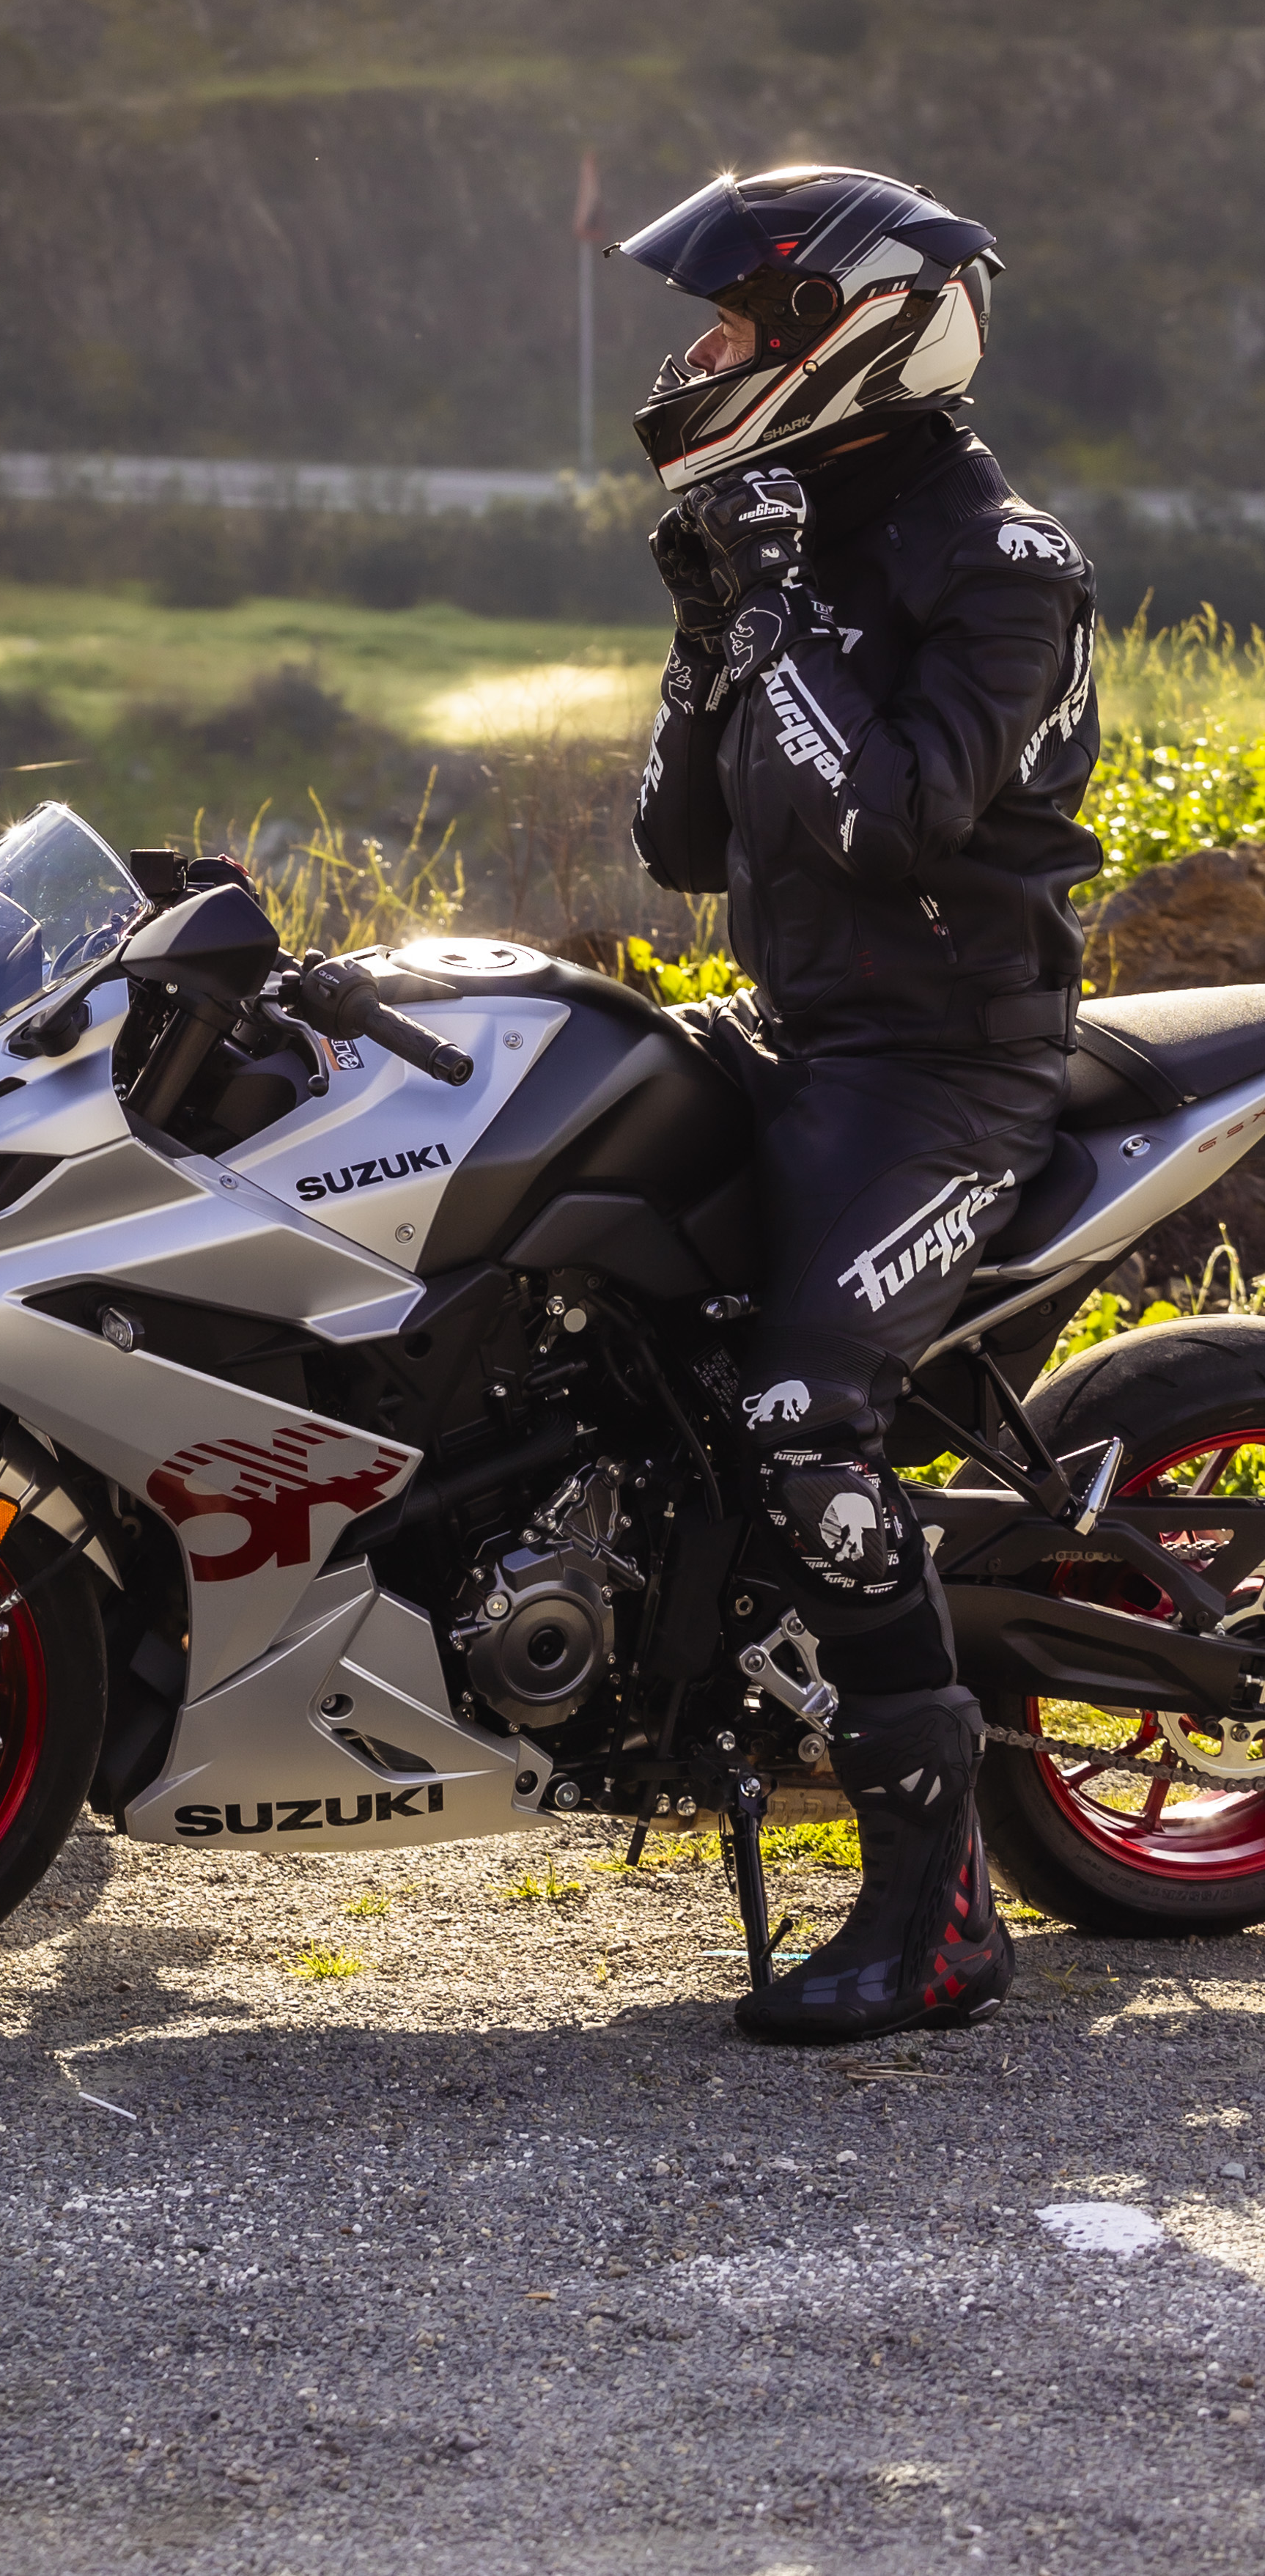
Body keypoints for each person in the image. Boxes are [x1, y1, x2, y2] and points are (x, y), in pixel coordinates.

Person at [622, 161, 1100, 2045]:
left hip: (945, 1061)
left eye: (740, 324)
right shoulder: (790, 532)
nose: (702, 356)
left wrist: (770, 619)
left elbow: (891, 817)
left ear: (857, 333)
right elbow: (680, 847)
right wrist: (708, 638)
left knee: (798, 1424)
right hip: (792, 1024)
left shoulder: (998, 565)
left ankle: (934, 1914)